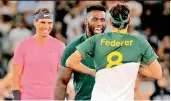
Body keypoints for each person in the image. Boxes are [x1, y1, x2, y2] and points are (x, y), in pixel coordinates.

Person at [65, 2, 162, 101]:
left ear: (110, 21)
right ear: (129, 20)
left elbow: (70, 62)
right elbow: (157, 73)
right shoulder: (139, 41)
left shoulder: (97, 39)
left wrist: (91, 71)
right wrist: (136, 68)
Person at [54, 5, 107, 100]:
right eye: (95, 19)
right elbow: (62, 83)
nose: (99, 23)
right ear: (86, 21)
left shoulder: (113, 45)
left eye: (102, 20)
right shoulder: (72, 48)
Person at [12, 8, 65, 100]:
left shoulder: (60, 46)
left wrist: (65, 96)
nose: (46, 26)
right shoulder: (23, 45)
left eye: (49, 23)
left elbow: (63, 77)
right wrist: (16, 97)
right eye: (43, 22)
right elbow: (16, 75)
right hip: (28, 97)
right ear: (35, 22)